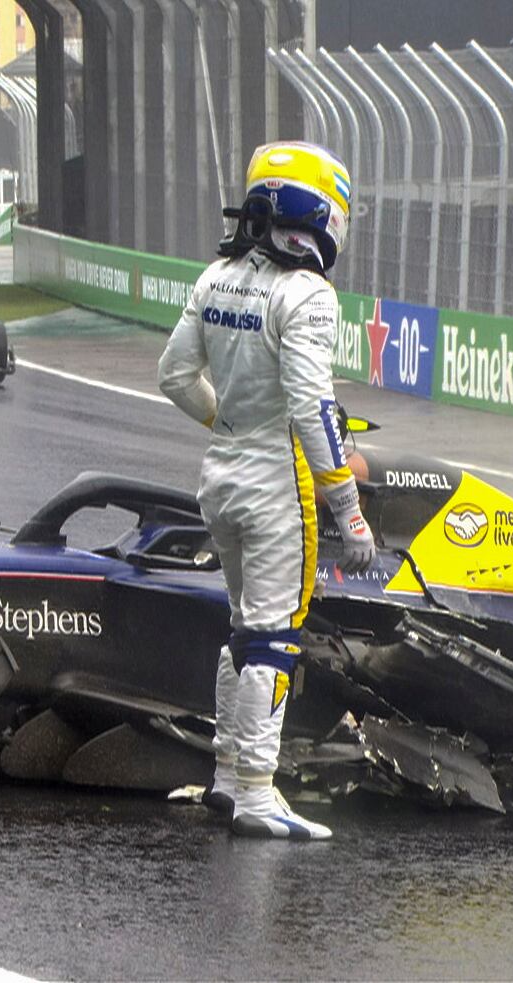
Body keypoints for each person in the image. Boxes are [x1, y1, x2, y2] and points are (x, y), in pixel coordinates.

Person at [157, 141, 376, 841]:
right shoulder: (307, 292)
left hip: (218, 476)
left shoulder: (214, 277)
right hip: (276, 483)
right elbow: (315, 409)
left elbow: (173, 376)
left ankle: (227, 777)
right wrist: (349, 509)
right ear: (317, 212)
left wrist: (231, 424)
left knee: (242, 629)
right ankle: (256, 789)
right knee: (275, 638)